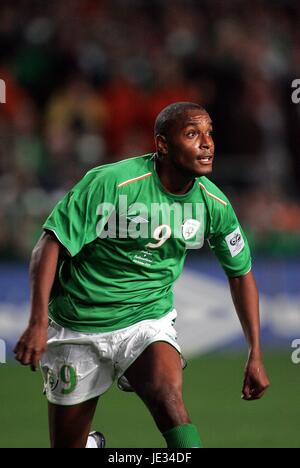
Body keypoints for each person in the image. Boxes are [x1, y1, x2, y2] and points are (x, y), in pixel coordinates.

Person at [14, 102, 270, 449]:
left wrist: (255, 352)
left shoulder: (214, 205)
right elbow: (50, 244)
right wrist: (37, 321)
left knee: (168, 398)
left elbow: (241, 274)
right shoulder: (111, 183)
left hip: (147, 320)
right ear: (163, 144)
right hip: (79, 323)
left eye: (209, 133)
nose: (207, 143)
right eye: (193, 134)